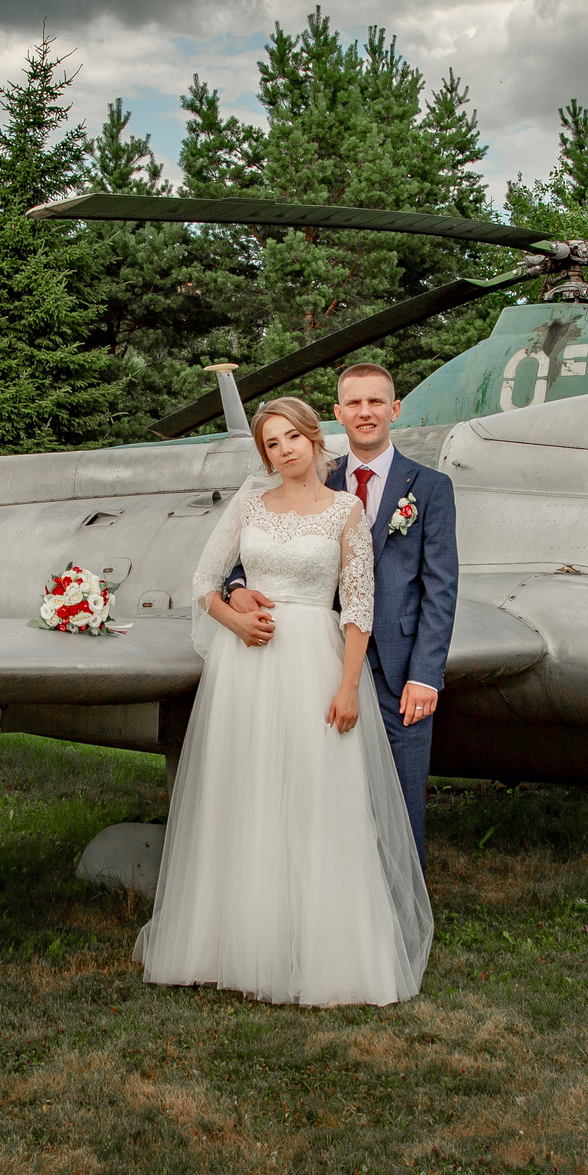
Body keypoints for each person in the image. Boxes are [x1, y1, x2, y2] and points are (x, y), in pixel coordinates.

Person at [135, 397, 431, 1006]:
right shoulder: (249, 502)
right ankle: (233, 943)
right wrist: (233, 617)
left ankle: (323, 948)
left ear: (313, 437)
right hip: (246, 669)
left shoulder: (347, 512)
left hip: (315, 666)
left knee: (316, 796)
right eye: (272, 443)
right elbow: (203, 584)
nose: (285, 449)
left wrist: (349, 687)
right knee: (247, 795)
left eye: (292, 436)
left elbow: (359, 608)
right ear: (264, 453)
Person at [223, 363, 458, 862]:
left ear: (394, 410)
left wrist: (425, 675)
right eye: (354, 404)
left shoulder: (431, 487)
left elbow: (441, 587)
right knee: (321, 796)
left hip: (398, 672)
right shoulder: (311, 475)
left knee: (402, 798)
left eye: (375, 402)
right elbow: (250, 548)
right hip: (317, 667)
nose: (365, 413)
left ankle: (399, 923)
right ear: (337, 414)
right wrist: (237, 588)